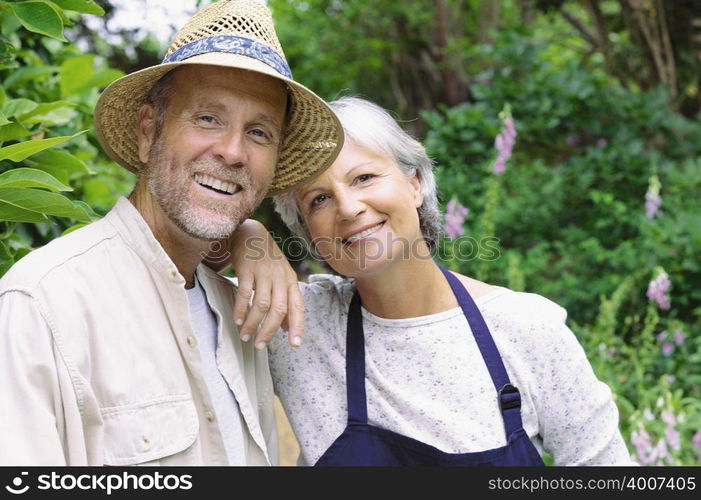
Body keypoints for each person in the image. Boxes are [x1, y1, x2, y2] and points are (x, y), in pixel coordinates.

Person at [0, 0, 343, 465]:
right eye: (207, 118)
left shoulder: (243, 313)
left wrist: (250, 233)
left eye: (260, 132)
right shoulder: (43, 305)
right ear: (148, 131)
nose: (233, 152)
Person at [260, 96, 636, 465]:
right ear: (308, 233)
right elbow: (203, 243)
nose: (348, 207)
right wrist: (250, 235)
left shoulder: (528, 329)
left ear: (416, 183)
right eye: (319, 199)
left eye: (364, 178)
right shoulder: (295, 323)